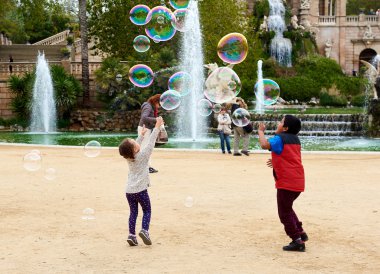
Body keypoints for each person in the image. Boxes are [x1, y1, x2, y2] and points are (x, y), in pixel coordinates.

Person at [258, 115, 308, 252]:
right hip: (298, 181)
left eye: (281, 122)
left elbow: (264, 145)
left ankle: (297, 240)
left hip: (286, 182)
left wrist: (261, 132)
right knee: (288, 208)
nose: (278, 123)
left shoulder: (280, 138)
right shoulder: (295, 139)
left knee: (284, 212)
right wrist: (275, 162)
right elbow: (289, 157)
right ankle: (301, 232)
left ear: (285, 128)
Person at [119, 117, 165, 246]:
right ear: (135, 149)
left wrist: (141, 136)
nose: (137, 141)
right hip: (141, 191)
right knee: (147, 211)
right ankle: (144, 230)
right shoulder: (143, 156)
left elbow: (132, 148)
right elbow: (151, 144)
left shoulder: (128, 157)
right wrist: (157, 126)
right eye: (135, 142)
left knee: (133, 212)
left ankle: (131, 235)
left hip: (129, 191)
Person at [138, 94, 161, 173]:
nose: (159, 106)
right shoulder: (148, 106)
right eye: (159, 104)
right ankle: (146, 167)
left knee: (145, 148)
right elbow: (144, 118)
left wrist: (157, 122)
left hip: (146, 129)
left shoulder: (150, 106)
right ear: (155, 101)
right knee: (145, 148)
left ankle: (146, 166)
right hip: (144, 129)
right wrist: (156, 120)